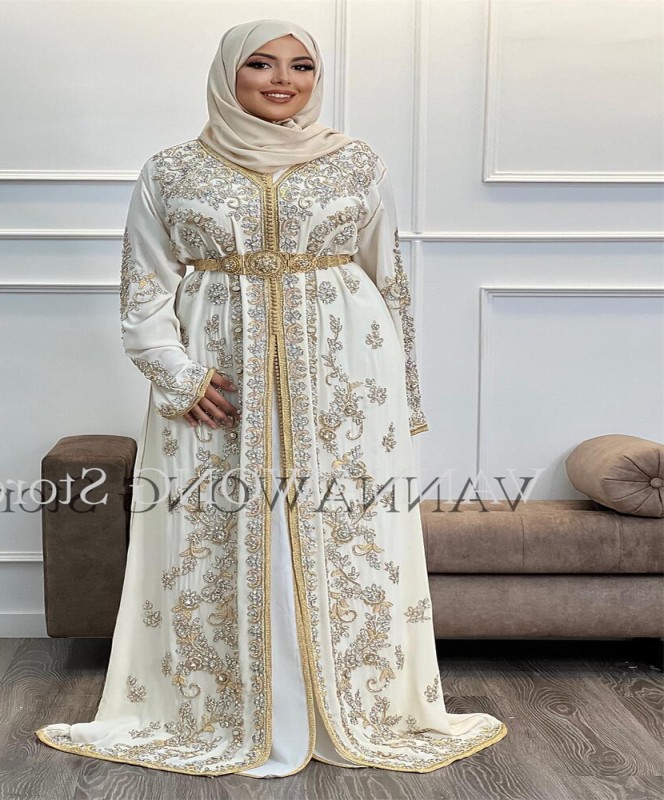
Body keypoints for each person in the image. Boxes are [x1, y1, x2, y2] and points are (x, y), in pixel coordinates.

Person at [35, 18, 508, 778]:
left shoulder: (357, 163)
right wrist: (179, 377)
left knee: (345, 528)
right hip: (217, 384)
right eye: (261, 63)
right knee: (213, 526)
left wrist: (400, 396)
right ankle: (223, 709)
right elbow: (143, 288)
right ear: (229, 74)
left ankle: (349, 707)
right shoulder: (172, 171)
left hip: (345, 381)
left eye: (301, 66)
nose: (283, 79)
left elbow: (388, 280)